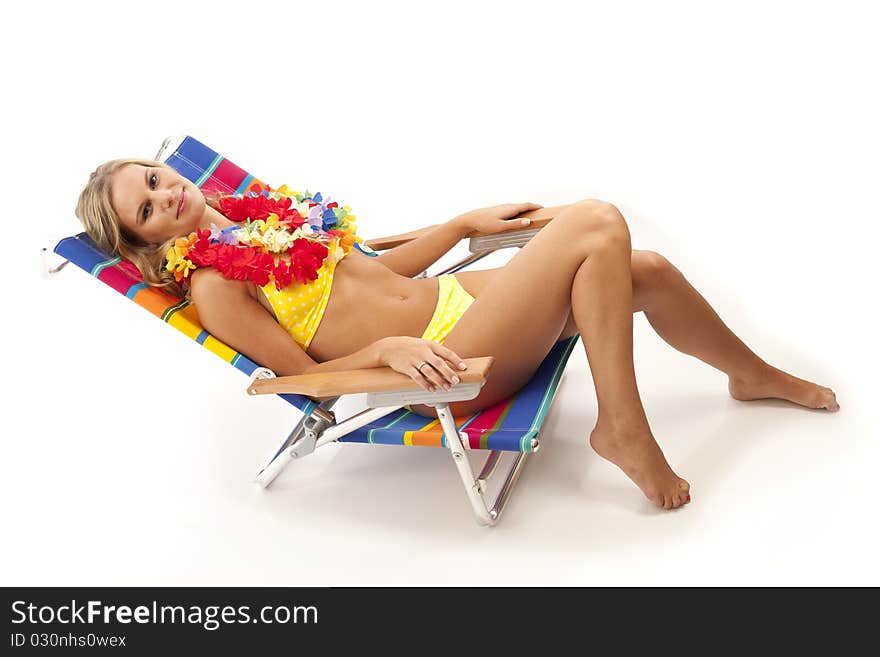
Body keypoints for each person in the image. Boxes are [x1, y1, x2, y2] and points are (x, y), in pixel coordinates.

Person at [75, 158, 839, 511]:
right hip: (450, 361)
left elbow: (376, 273)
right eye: (144, 208)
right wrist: (381, 354)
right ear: (142, 244)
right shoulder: (213, 283)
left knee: (649, 268)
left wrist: (460, 224)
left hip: (448, 300)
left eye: (150, 177)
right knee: (596, 220)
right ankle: (622, 425)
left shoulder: (265, 218)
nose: (162, 194)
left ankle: (749, 374)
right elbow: (298, 377)